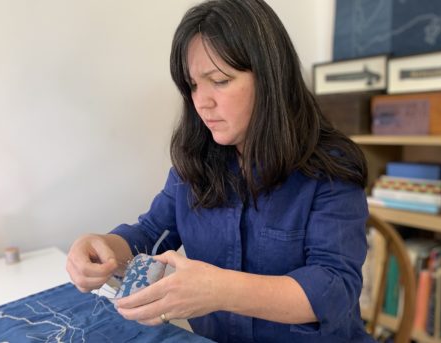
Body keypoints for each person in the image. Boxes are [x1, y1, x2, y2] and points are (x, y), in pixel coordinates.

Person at [66, 0, 374, 342]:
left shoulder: (330, 168)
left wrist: (221, 290)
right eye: (193, 85)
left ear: (272, 78)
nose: (202, 102)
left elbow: (335, 288)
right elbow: (151, 232)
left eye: (220, 80)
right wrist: (102, 248)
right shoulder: (195, 161)